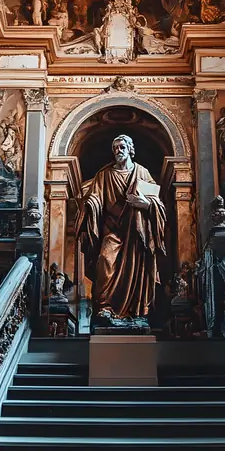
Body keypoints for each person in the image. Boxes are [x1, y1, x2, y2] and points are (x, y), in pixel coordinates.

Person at [77, 134, 166, 324]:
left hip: (136, 231)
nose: (119, 151)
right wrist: (90, 203)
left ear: (130, 149)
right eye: (115, 148)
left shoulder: (142, 173)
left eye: (122, 147)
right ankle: (105, 307)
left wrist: (145, 204)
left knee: (137, 270)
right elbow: (95, 197)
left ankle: (137, 312)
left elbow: (158, 203)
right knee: (105, 260)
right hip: (111, 229)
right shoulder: (104, 175)